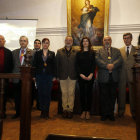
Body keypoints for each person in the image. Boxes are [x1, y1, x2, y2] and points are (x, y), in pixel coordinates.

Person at [96, 36, 122, 121]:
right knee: (103, 97)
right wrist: (107, 66)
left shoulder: (117, 51)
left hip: (114, 78)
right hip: (103, 77)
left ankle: (110, 114)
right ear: (103, 42)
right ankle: (104, 114)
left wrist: (113, 65)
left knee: (112, 96)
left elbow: (120, 60)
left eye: (108, 40)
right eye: (105, 40)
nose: (107, 41)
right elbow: (97, 60)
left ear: (111, 41)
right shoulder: (98, 51)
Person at [11, 36, 35, 119]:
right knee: (17, 96)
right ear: (19, 42)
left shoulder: (32, 52)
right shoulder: (14, 52)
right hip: (16, 77)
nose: (22, 42)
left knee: (27, 96)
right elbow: (12, 65)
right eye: (21, 41)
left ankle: (26, 113)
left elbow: (34, 66)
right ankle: (18, 112)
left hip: (27, 78)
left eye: (24, 41)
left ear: (27, 42)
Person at [33, 38, 56, 120]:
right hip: (39, 75)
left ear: (49, 44)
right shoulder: (38, 53)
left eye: (47, 43)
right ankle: (42, 111)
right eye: (44, 43)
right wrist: (34, 76)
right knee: (40, 93)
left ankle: (47, 111)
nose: (45, 44)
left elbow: (54, 66)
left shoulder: (52, 53)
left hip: (49, 76)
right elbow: (34, 65)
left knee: (47, 94)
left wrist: (54, 76)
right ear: (42, 44)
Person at [116, 33, 136, 120]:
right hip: (122, 75)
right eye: (124, 38)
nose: (126, 40)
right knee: (121, 94)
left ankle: (134, 113)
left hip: (133, 76)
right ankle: (121, 111)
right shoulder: (119, 50)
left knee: (133, 95)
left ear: (131, 39)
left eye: (128, 38)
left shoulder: (137, 49)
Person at [56, 36, 77, 119]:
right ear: (65, 41)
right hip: (62, 75)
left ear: (72, 41)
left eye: (70, 40)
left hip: (73, 75)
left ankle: (70, 110)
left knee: (71, 93)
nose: (68, 41)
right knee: (64, 93)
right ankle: (65, 109)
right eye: (67, 40)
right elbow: (57, 65)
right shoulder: (59, 51)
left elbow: (77, 65)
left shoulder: (76, 51)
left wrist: (78, 75)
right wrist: (57, 76)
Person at [76, 36, 96, 120]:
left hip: (90, 76)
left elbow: (93, 64)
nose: (85, 42)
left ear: (89, 43)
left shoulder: (93, 53)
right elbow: (77, 65)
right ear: (81, 43)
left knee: (89, 93)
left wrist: (91, 74)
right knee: (82, 93)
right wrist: (81, 74)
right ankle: (83, 111)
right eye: (83, 41)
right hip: (81, 76)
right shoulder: (78, 53)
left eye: (86, 41)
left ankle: (88, 111)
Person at [0, 35, 13, 119]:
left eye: (2, 39)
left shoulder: (8, 52)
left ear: (4, 41)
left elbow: (11, 65)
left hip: (4, 78)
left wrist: (10, 76)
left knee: (3, 96)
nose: (0, 41)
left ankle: (2, 111)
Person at [32, 39, 42, 110]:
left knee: (39, 91)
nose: (37, 44)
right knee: (31, 90)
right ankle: (30, 104)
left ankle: (39, 104)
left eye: (38, 43)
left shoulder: (43, 53)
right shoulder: (30, 52)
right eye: (35, 43)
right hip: (31, 74)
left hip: (39, 74)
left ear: (40, 45)